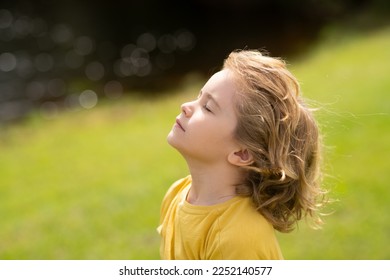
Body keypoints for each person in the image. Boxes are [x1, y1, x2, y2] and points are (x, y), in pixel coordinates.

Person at [158, 49, 327, 260]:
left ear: (242, 153)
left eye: (208, 107)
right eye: (199, 96)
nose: (186, 106)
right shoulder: (177, 194)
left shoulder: (238, 239)